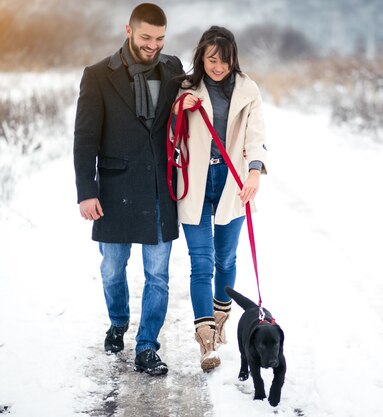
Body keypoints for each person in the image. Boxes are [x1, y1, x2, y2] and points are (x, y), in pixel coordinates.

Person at [73, 3, 184, 376]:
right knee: (112, 269)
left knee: (158, 276)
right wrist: (85, 191)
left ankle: (147, 346)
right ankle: (118, 321)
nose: (153, 45)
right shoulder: (97, 75)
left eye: (160, 38)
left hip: (158, 189)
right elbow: (85, 137)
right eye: (146, 37)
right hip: (115, 190)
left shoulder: (173, 69)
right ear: (129, 31)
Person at [172, 26, 267, 371]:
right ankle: (206, 342)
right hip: (195, 182)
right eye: (212, 59)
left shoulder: (248, 90)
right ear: (201, 56)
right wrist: (181, 108)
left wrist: (254, 171)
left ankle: (221, 316)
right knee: (201, 261)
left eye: (224, 61)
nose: (218, 67)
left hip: (233, 182)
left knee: (226, 260)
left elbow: (256, 134)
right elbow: (169, 135)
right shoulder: (184, 88)